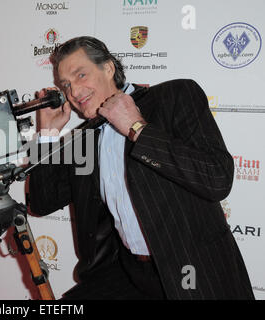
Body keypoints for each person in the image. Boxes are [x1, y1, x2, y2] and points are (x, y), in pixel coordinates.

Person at [28, 36, 254, 300]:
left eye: (81, 75)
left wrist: (137, 129)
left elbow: (217, 178)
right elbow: (41, 203)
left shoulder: (174, 96)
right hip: (128, 273)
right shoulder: (85, 138)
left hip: (193, 271)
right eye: (66, 85)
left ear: (108, 68)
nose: (74, 92)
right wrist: (45, 135)